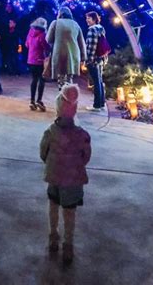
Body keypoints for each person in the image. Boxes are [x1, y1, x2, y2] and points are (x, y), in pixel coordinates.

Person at [39, 84, 92, 266]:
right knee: (70, 212)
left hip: (55, 176)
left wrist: (52, 163)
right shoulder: (82, 135)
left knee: (53, 205)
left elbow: (43, 152)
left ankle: (53, 235)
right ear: (75, 108)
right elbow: (86, 156)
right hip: (73, 179)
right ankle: (68, 244)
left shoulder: (50, 132)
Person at [46, 7, 86, 89]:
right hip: (73, 55)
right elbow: (82, 43)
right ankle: (69, 96)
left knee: (61, 78)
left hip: (59, 53)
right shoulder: (76, 24)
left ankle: (62, 96)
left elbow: (48, 39)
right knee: (69, 78)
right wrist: (83, 57)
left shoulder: (55, 23)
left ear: (60, 14)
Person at [84, 11, 108, 112]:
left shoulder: (92, 30)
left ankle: (96, 105)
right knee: (99, 81)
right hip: (101, 59)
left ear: (94, 19)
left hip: (94, 60)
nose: (87, 20)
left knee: (96, 82)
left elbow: (91, 47)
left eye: (89, 18)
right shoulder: (101, 29)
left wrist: (88, 60)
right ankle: (101, 103)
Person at [25, 17, 49, 111]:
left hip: (31, 60)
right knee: (42, 80)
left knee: (34, 80)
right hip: (40, 60)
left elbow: (26, 44)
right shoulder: (42, 34)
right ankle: (39, 100)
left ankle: (32, 101)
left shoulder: (30, 32)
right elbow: (46, 46)